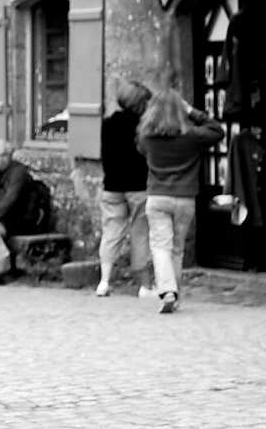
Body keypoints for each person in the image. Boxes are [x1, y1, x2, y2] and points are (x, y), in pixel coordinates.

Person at [137, 88, 224, 314]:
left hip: (157, 196)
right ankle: (174, 295)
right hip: (185, 197)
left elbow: (140, 149)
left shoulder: (147, 137)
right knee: (177, 249)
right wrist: (192, 111)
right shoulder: (192, 137)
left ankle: (167, 291)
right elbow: (217, 130)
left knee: (160, 246)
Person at [95, 79, 154, 297]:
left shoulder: (108, 123)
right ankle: (145, 286)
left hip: (112, 185)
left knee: (111, 232)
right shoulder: (143, 125)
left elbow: (105, 155)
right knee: (141, 233)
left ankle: (104, 281)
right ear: (139, 103)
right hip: (138, 185)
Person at [0, 139, 53, 283]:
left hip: (22, 220)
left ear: (10, 155)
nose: (0, 159)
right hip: (4, 219)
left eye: (3, 155)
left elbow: (10, 200)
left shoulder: (18, 172)